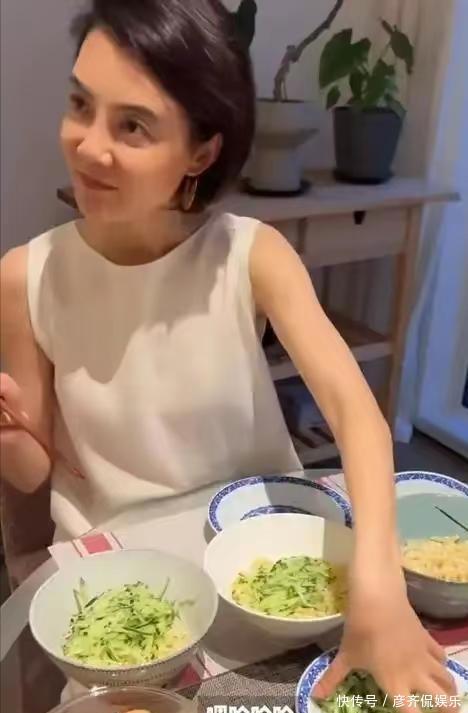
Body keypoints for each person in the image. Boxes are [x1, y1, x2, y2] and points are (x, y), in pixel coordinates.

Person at [0, 0, 456, 708]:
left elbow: (354, 413)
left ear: (202, 152)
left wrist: (379, 582)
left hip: (270, 564)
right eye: (80, 105)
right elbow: (32, 469)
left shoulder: (251, 254)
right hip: (127, 592)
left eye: (133, 125)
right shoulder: (25, 276)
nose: (89, 146)